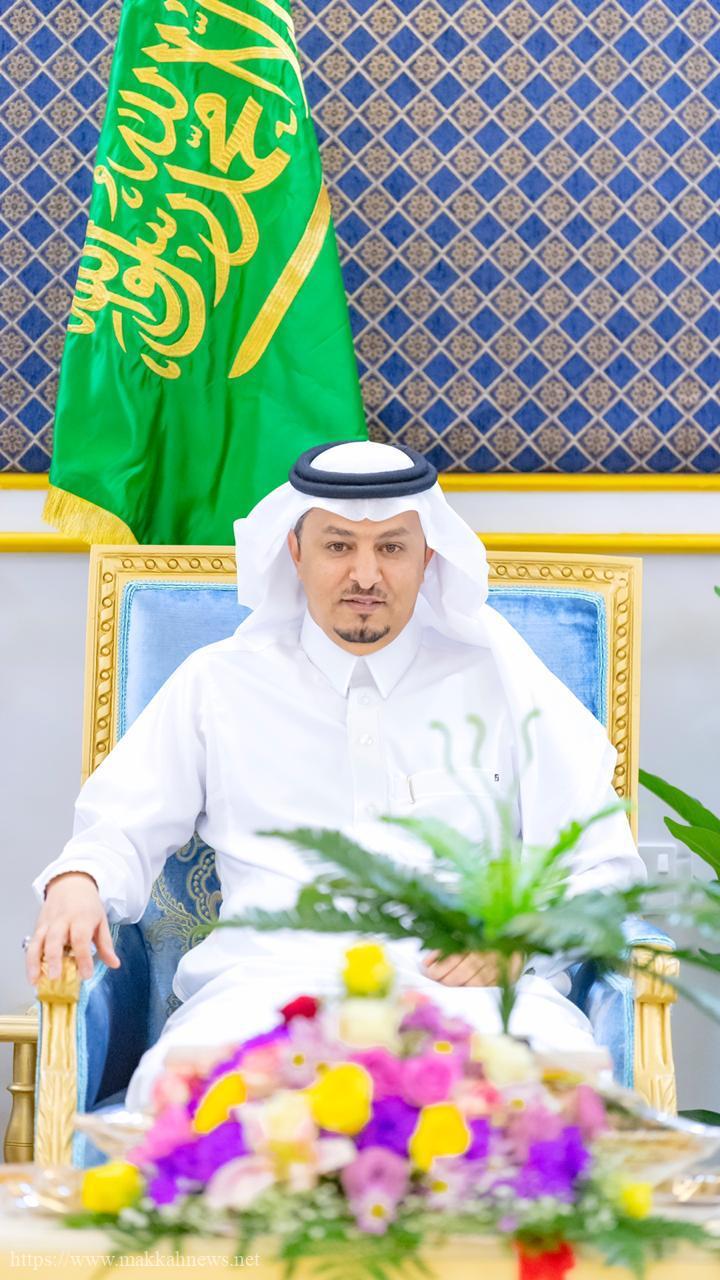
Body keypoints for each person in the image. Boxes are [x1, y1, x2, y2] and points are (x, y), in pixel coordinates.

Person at [27, 440, 645, 1109]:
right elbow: (119, 826)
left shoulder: (504, 684)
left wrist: (523, 945)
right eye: (338, 546)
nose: (365, 575)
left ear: (428, 556)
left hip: (464, 998)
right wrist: (78, 883)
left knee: (559, 1099)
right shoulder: (219, 683)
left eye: (392, 547)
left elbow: (603, 866)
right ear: (295, 552)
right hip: (265, 997)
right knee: (191, 1098)